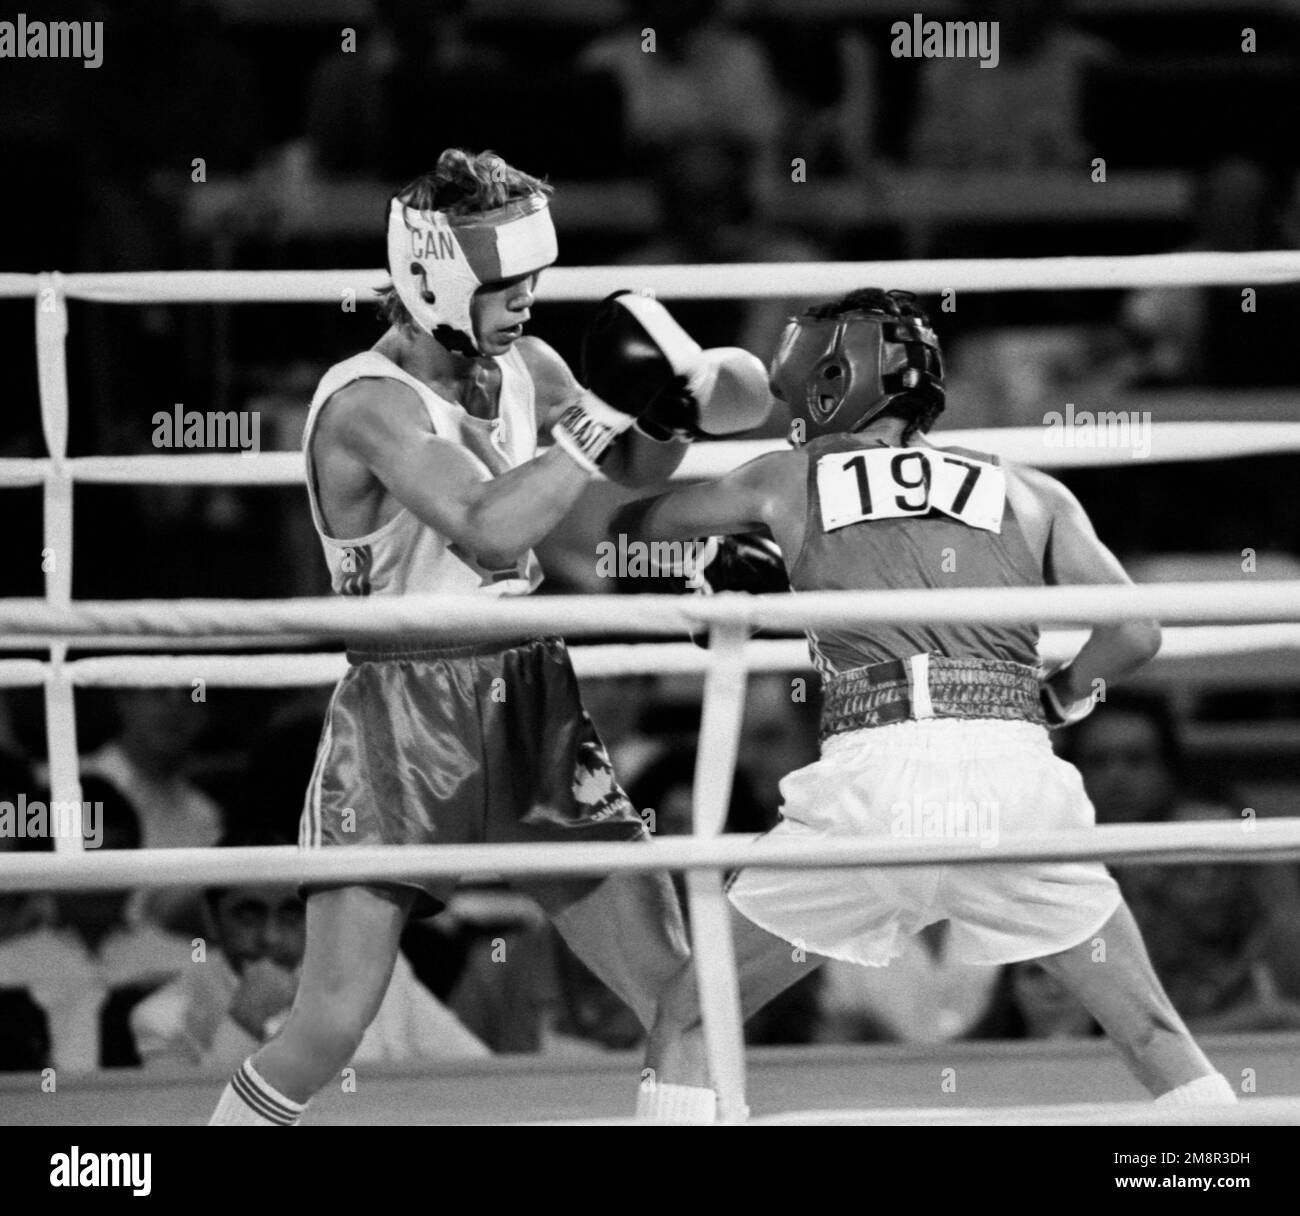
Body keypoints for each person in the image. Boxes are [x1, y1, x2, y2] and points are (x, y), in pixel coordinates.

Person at [208, 148, 770, 1126]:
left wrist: (680, 400)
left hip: (531, 692)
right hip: (404, 708)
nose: (525, 306)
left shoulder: (528, 368)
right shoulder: (366, 404)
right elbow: (487, 523)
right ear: (437, 279)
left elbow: (628, 471)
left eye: (532, 284)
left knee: (678, 985)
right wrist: (601, 415)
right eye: (505, 288)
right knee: (329, 1025)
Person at [612, 287, 1237, 1107]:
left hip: (873, 790)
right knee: (1152, 1033)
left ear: (832, 379)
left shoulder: (786, 476)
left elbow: (618, 543)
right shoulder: (1030, 491)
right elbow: (1136, 632)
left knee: (692, 1017)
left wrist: (672, 461)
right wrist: (1059, 697)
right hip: (1013, 781)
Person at [134, 838, 488, 1071]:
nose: (271, 937)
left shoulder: (379, 974)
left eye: (290, 912)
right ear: (211, 920)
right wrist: (241, 1024)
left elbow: (477, 1074)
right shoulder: (162, 1019)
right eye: (249, 913)